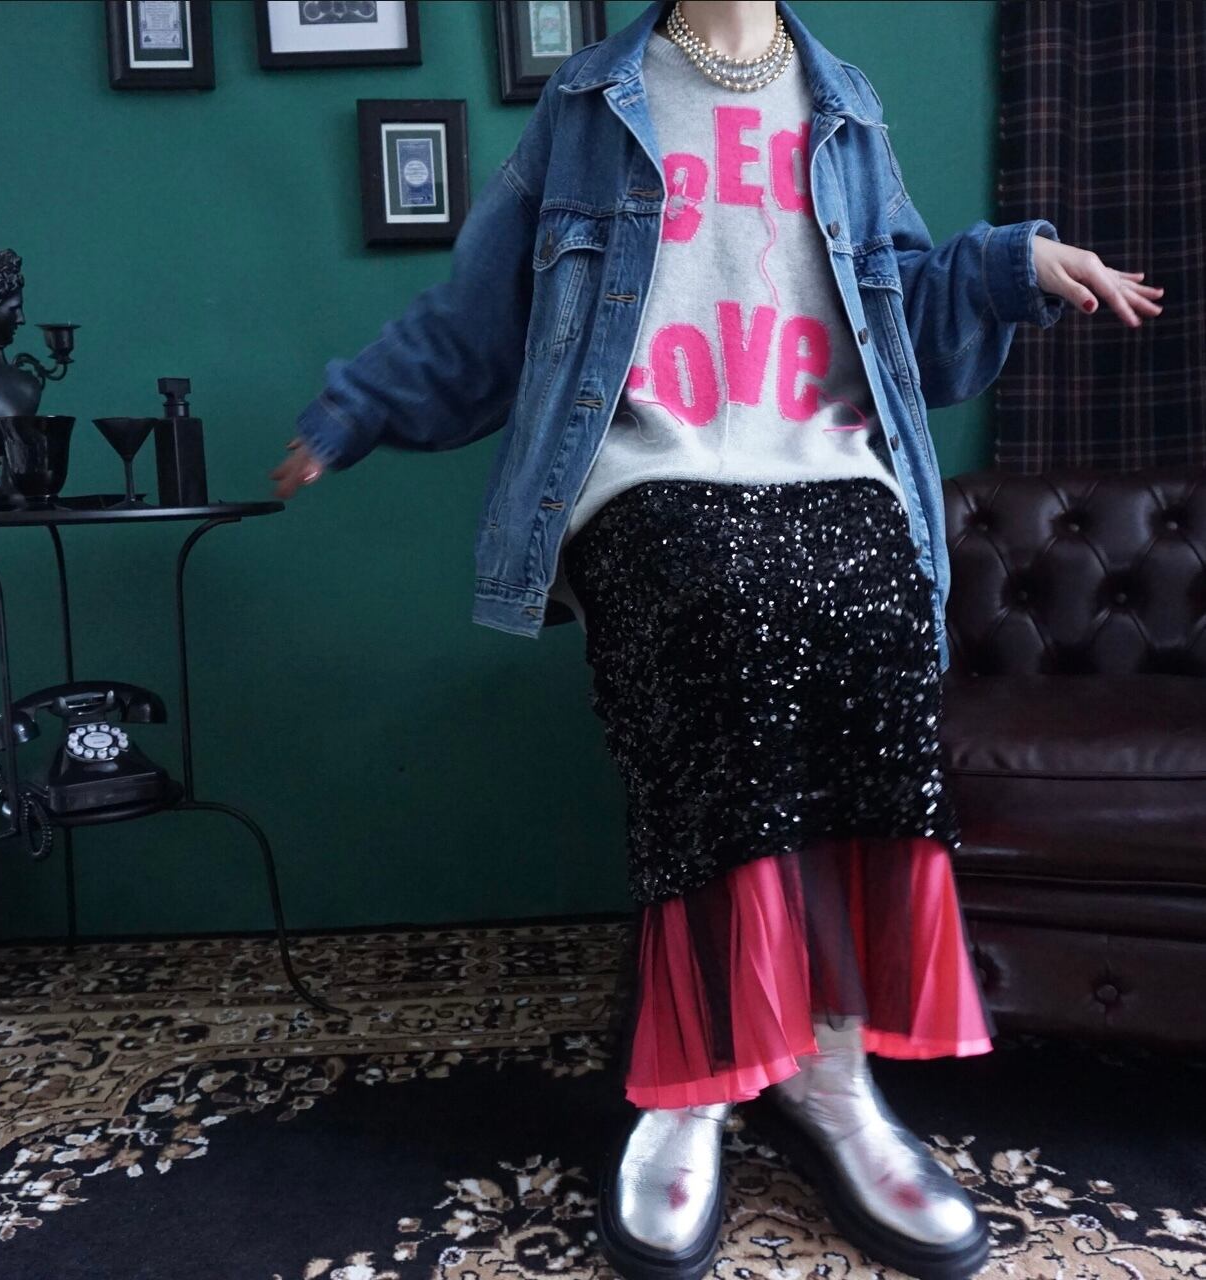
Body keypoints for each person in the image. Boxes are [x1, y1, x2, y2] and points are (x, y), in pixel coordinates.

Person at [272, 4, 1163, 1278]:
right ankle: (695, 1078)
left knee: (877, 612)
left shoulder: (846, 106)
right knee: (722, 611)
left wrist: (1013, 264)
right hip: (651, 469)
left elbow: (906, 309)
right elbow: (480, 318)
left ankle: (830, 1072)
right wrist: (354, 409)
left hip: (826, 464)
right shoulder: (591, 107)